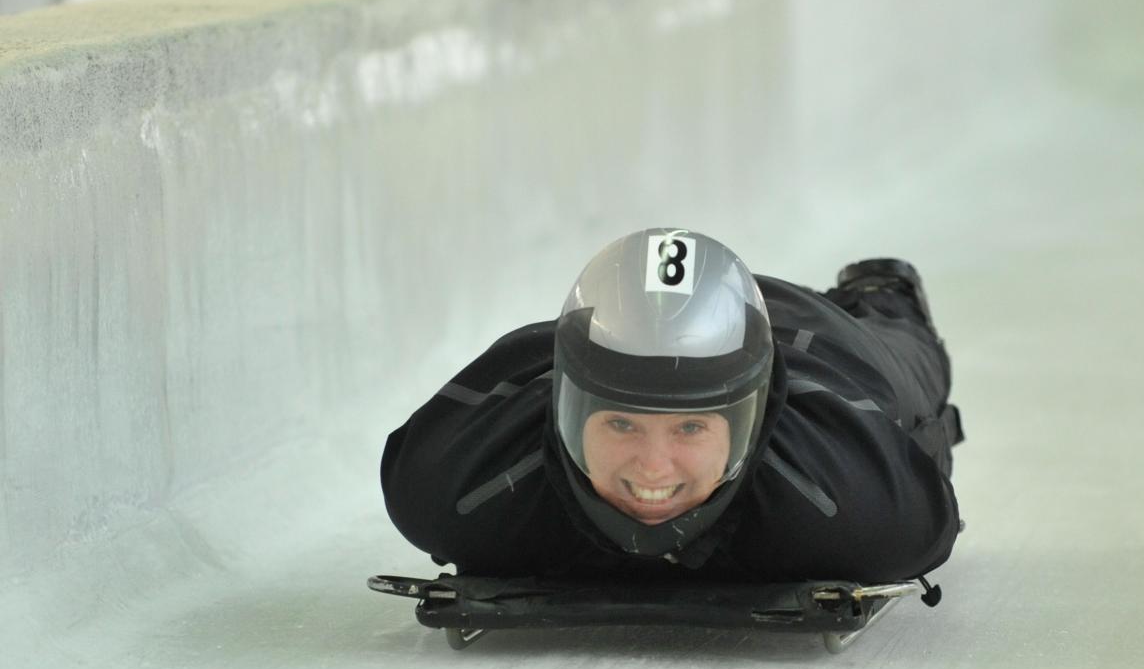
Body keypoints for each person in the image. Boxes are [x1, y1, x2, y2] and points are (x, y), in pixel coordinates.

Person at [380, 228, 964, 585]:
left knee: (907, 357)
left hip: (817, 340)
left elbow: (926, 494)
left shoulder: (867, 513)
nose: (653, 470)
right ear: (567, 407)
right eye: (621, 422)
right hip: (619, 333)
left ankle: (878, 291)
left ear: (746, 424)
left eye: (689, 426)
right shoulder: (448, 488)